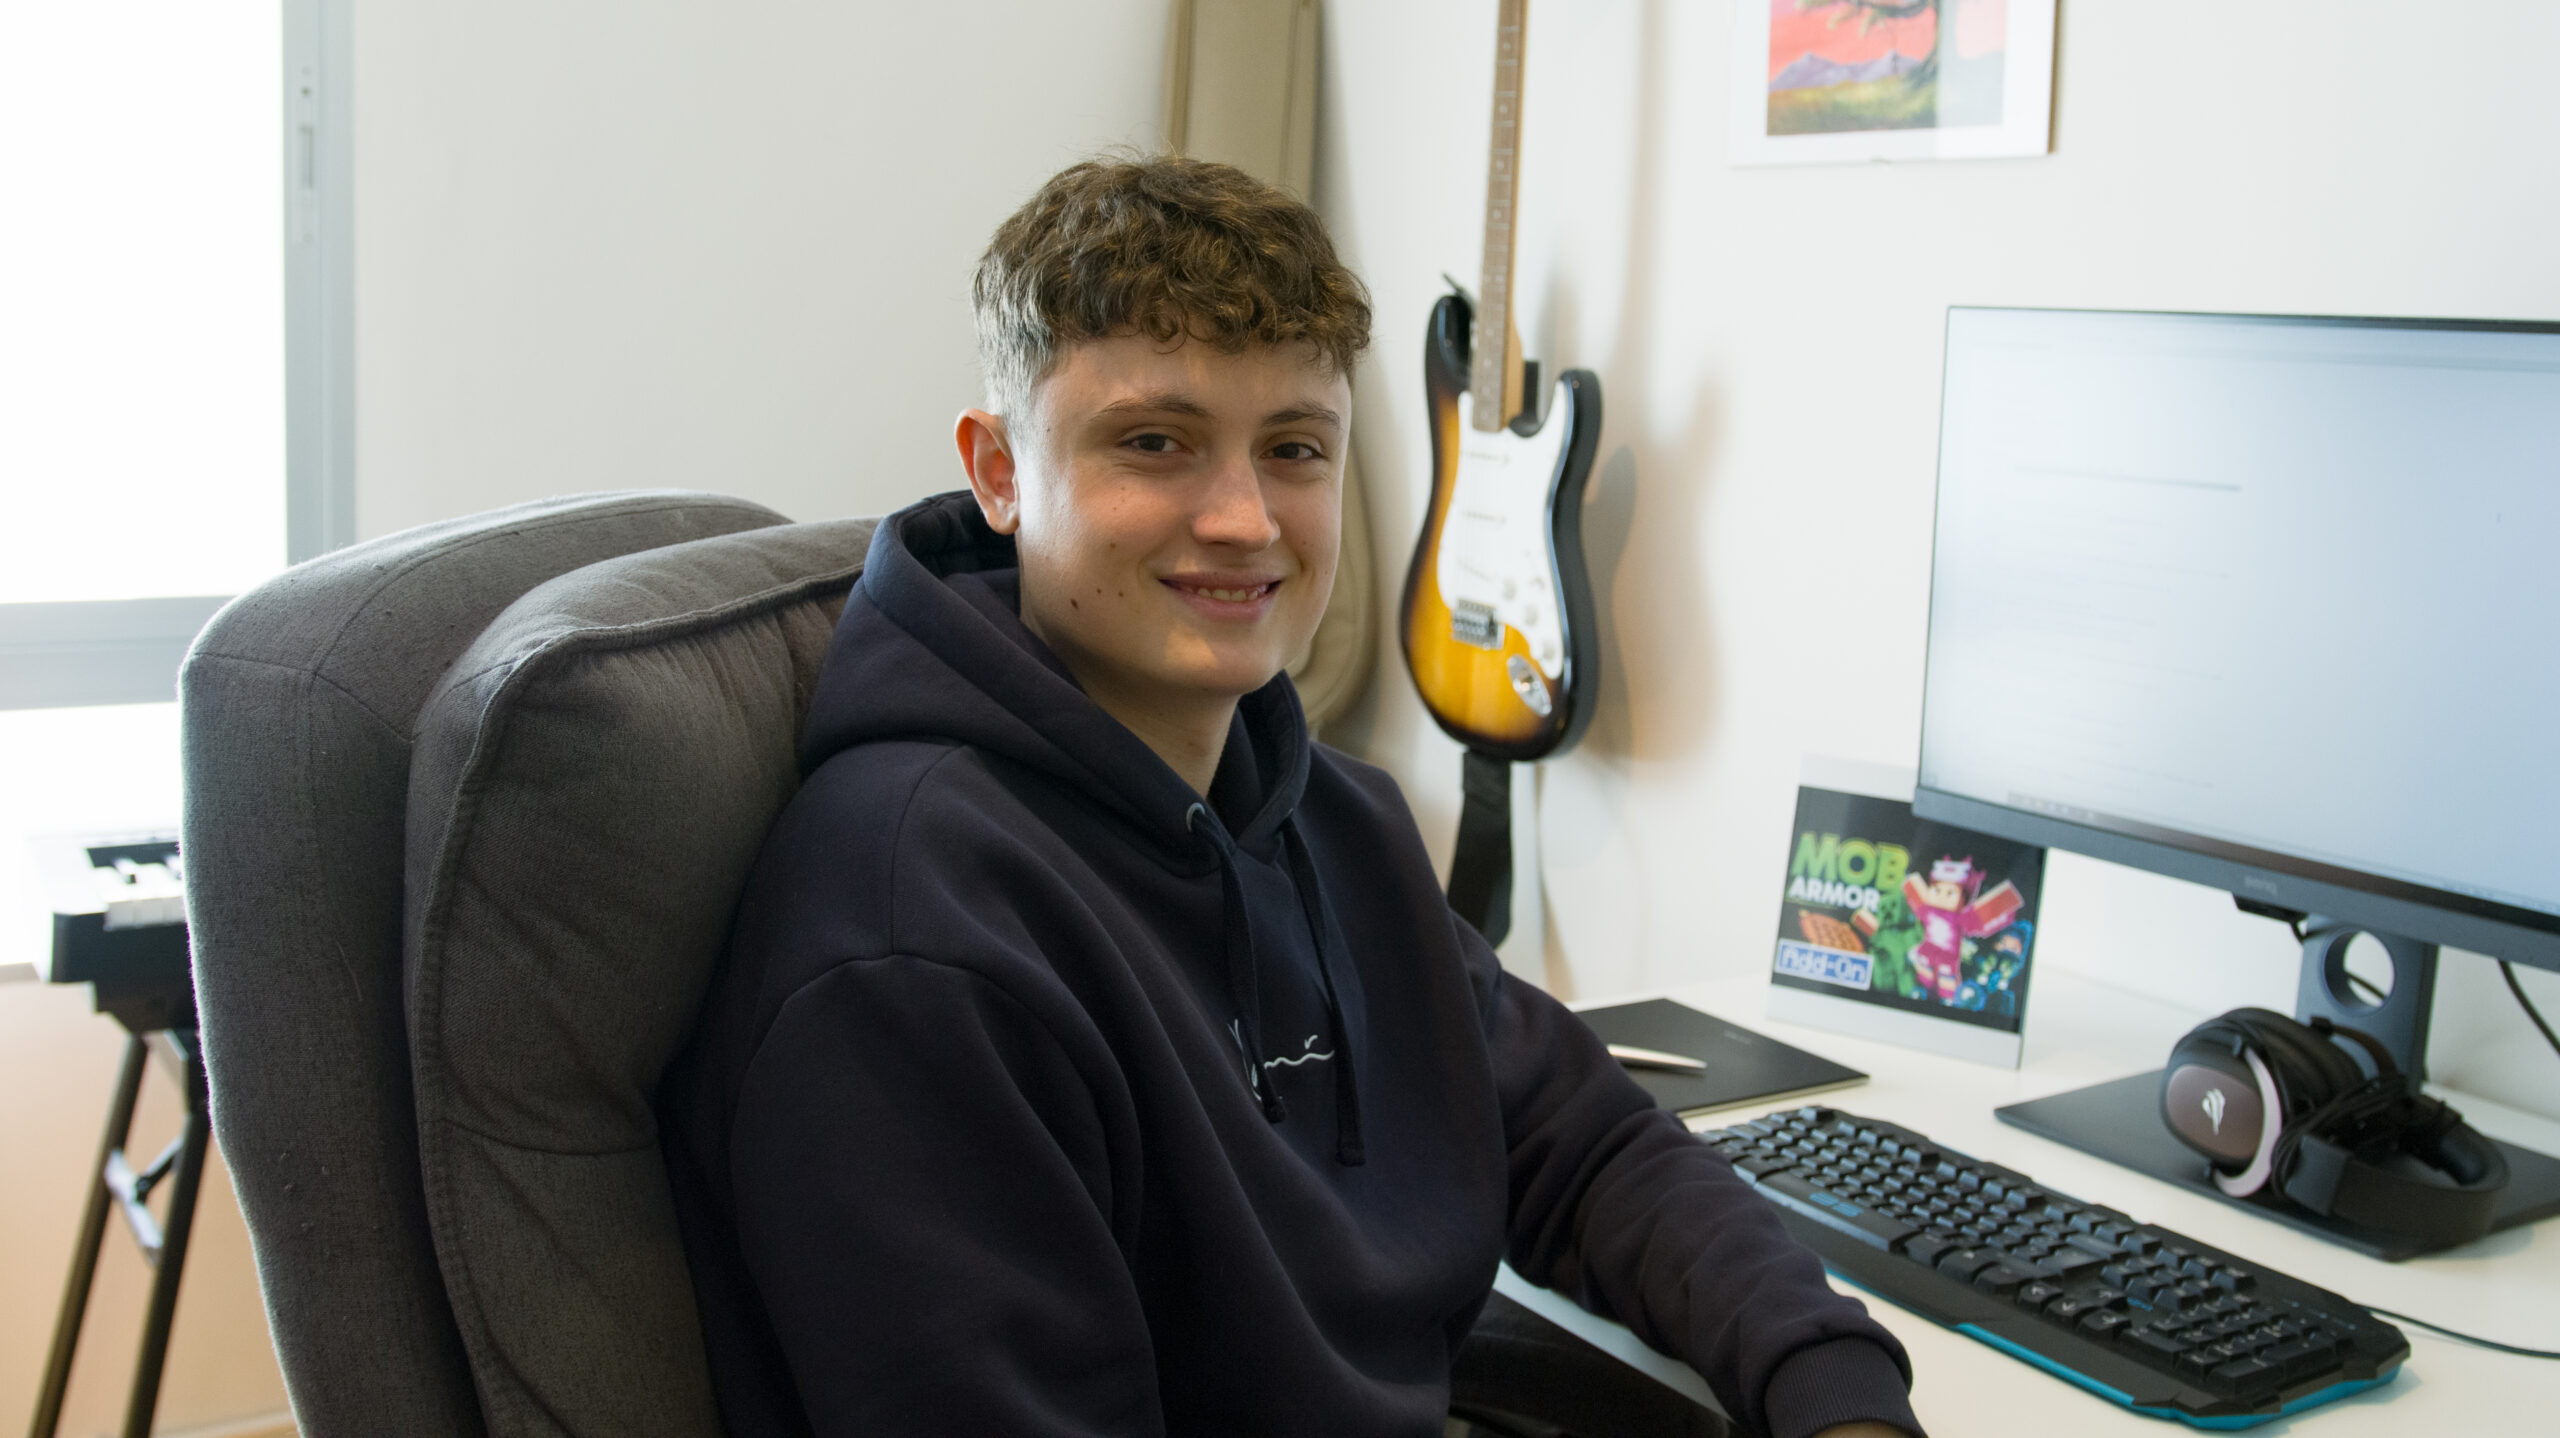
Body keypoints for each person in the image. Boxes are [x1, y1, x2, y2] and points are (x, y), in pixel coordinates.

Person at [661, 155, 1922, 1438]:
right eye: (1155, 443)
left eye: (1294, 448)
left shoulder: (1326, 813)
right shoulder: (911, 945)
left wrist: (1829, 1385)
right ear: (998, 472)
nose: (1243, 518)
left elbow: (1578, 1142)